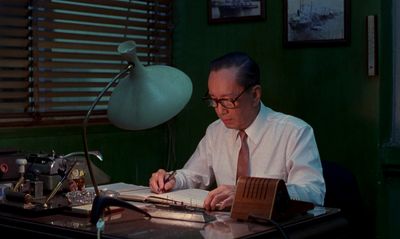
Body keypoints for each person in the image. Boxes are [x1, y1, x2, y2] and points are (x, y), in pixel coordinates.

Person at [149, 52, 325, 211]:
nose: (219, 110)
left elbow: (312, 192)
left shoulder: (294, 132)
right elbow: (194, 175)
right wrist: (172, 179)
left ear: (255, 95)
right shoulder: (216, 131)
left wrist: (248, 194)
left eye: (227, 100)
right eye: (213, 100)